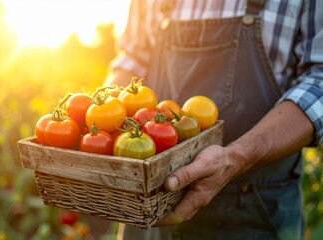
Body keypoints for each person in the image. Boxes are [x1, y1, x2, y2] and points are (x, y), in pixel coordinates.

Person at [104, 0, 323, 239]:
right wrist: (104, 122)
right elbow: (133, 59)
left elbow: (319, 81)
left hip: (251, 207)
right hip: (147, 205)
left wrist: (236, 157)